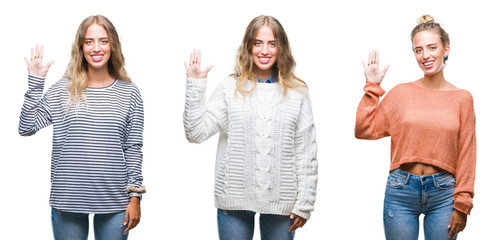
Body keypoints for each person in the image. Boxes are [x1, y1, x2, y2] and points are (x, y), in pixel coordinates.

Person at [183, 15, 318, 240]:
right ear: (248, 47)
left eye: (272, 44)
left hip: (282, 201)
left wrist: (305, 202)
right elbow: (195, 133)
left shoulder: (298, 93)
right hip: (234, 198)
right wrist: (195, 86)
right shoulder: (230, 88)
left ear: (281, 48)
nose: (264, 50)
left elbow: (306, 152)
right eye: (258, 43)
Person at [19, 15, 145, 240]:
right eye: (89, 41)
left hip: (115, 200)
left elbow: (133, 147)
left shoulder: (130, 92)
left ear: (112, 45)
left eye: (103, 41)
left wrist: (135, 197)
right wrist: (35, 81)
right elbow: (26, 127)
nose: (96, 48)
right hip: (67, 198)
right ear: (81, 47)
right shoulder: (62, 90)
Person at [355, 15, 476, 240]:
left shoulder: (462, 98)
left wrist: (463, 203)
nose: (425, 55)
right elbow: (364, 129)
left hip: (444, 193)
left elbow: (467, 153)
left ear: (446, 49)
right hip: (401, 190)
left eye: (432, 47)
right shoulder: (401, 93)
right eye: (418, 50)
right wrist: (372, 87)